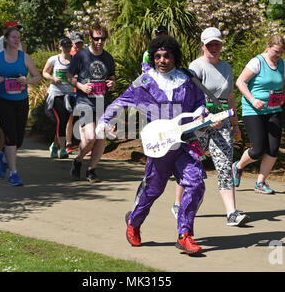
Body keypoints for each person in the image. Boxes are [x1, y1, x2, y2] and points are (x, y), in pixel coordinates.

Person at [96, 35, 220, 254]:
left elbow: (201, 104)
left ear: (175, 56)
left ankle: (185, 234)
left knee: (196, 183)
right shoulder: (145, 82)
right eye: (157, 56)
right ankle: (134, 222)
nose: (162, 60)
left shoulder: (189, 79)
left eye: (166, 56)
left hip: (186, 144)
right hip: (160, 146)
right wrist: (105, 122)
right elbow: (121, 102)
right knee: (152, 190)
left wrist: (207, 116)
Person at [171, 27, 249, 226]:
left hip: (222, 121)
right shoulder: (196, 67)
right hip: (199, 123)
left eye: (217, 44)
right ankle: (179, 204)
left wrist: (235, 125)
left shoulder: (227, 68)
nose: (214, 48)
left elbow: (229, 97)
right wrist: (206, 116)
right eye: (210, 44)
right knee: (191, 164)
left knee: (224, 165)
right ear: (202, 46)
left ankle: (231, 213)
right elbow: (191, 97)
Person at [233, 34, 285, 194]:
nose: (278, 55)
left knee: (273, 148)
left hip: (274, 110)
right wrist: (253, 99)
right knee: (257, 150)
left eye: (281, 52)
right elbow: (240, 82)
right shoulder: (257, 62)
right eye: (275, 51)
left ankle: (260, 183)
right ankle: (238, 166)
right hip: (253, 111)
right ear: (268, 48)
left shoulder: (282, 64)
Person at [0, 27, 41, 186]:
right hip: (2, 100)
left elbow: (37, 77)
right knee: (10, 136)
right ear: (6, 40)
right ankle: (14, 173)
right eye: (14, 37)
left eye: (19, 37)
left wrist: (27, 81)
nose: (17, 40)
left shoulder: (25, 57)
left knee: (19, 140)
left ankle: (2, 156)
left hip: (21, 100)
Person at [66, 22, 116, 183]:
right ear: (90, 38)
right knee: (89, 137)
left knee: (100, 137)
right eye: (96, 38)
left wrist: (111, 83)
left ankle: (91, 170)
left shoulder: (108, 57)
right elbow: (69, 76)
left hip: (103, 103)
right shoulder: (81, 56)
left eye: (102, 38)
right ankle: (78, 159)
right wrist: (80, 85)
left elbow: (112, 76)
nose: (99, 42)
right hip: (84, 102)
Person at [42, 37, 74, 159]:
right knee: (61, 119)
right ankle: (62, 149)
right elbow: (45, 72)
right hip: (56, 94)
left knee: (64, 121)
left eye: (69, 45)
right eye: (64, 45)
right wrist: (53, 79)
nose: (67, 48)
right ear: (60, 47)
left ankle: (54, 146)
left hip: (69, 95)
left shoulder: (75, 60)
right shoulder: (53, 59)